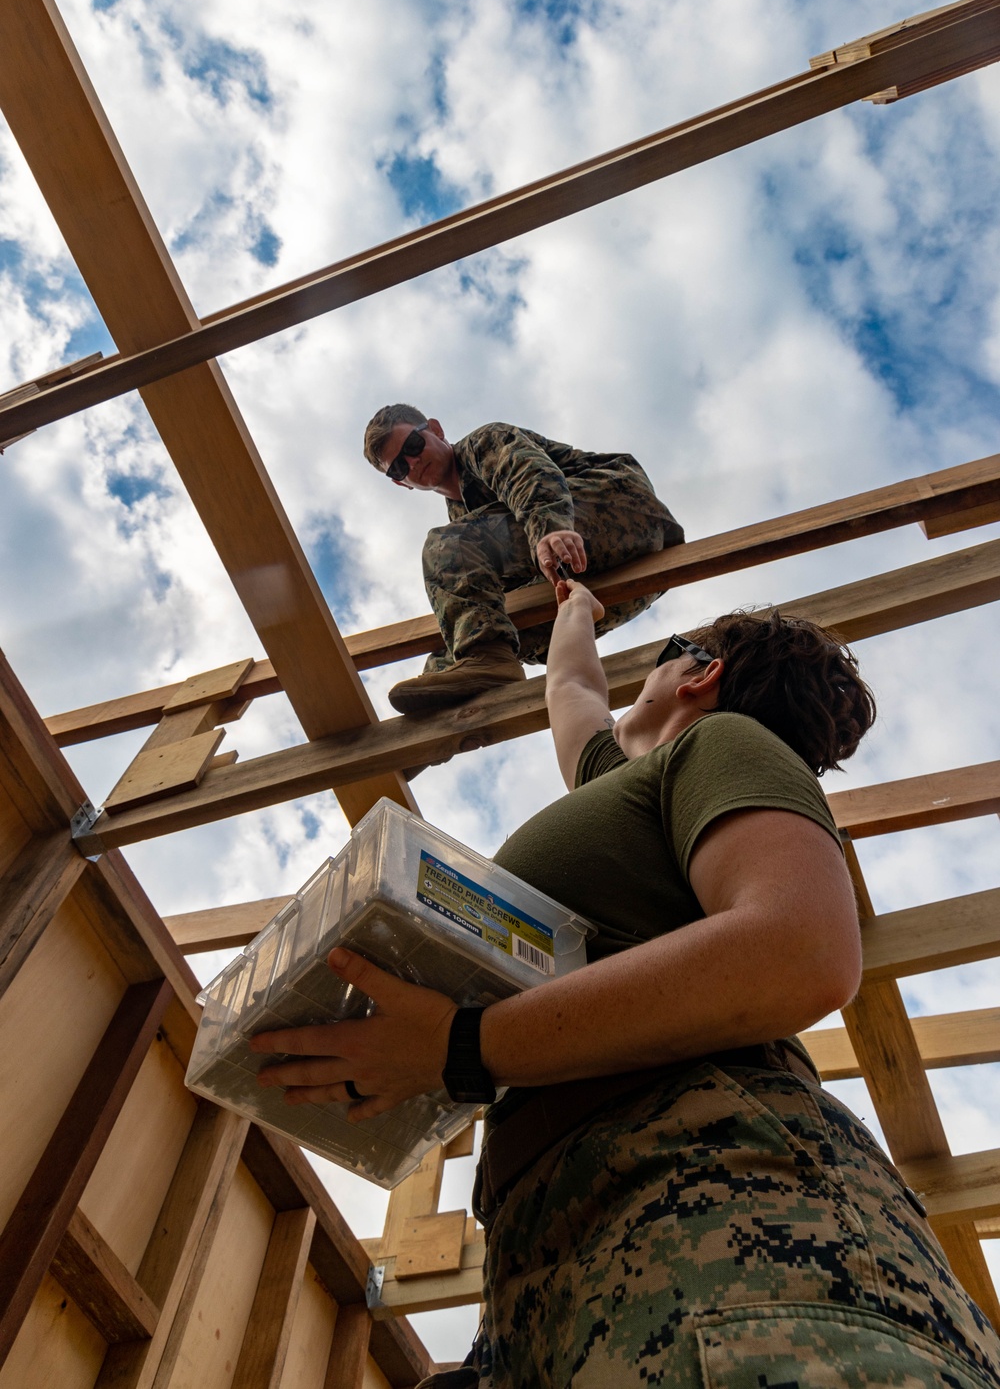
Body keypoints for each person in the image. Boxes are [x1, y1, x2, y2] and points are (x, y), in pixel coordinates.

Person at [250, 584, 1000, 1388]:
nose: (641, 670)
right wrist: (575, 605)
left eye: (667, 646)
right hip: (562, 1233)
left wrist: (460, 1047)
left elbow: (801, 949)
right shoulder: (617, 777)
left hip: (714, 1189)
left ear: (700, 675)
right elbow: (572, 691)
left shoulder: (725, 744)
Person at [363, 405, 683, 713]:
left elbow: (527, 474)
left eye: (414, 445)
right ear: (400, 482)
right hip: (607, 578)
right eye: (400, 467)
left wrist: (549, 528)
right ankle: (427, 731)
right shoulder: (467, 525)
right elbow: (478, 608)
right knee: (484, 634)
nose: (413, 462)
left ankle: (484, 658)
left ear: (435, 429)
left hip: (615, 507)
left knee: (448, 548)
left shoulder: (482, 445)